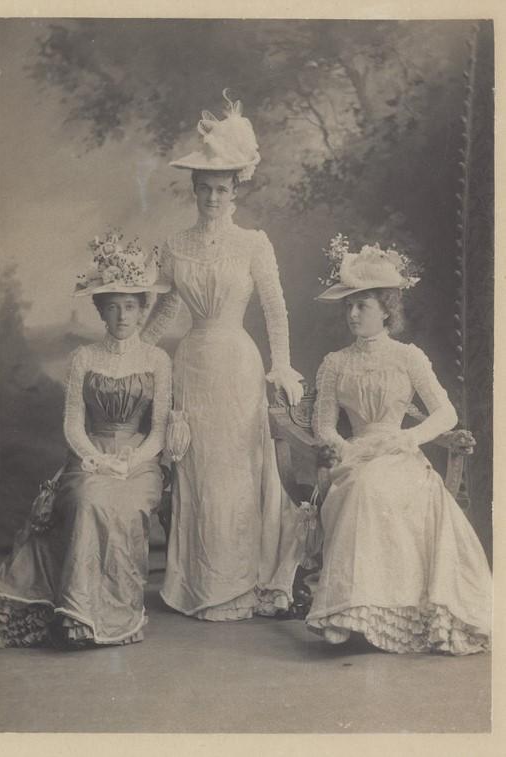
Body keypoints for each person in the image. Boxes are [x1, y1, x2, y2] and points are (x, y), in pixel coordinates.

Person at [142, 90, 305, 621]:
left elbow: (276, 311)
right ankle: (199, 583)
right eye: (205, 188)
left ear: (235, 190)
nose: (213, 197)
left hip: (237, 362)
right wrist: (132, 351)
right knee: (198, 472)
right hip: (192, 364)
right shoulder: (175, 244)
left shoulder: (254, 243)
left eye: (221, 188)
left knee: (236, 472)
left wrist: (281, 364)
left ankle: (241, 583)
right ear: (194, 189)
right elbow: (166, 312)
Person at [305, 238, 491, 654]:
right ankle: (350, 612)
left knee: (383, 487)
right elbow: (324, 426)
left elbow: (445, 415)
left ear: (386, 310)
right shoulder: (335, 363)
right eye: (348, 306)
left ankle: (394, 612)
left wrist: (406, 438)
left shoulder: (409, 358)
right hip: (354, 455)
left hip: (402, 453)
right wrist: (347, 449)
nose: (352, 314)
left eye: (362, 305)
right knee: (363, 486)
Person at [0, 232, 172, 648]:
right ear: (101, 312)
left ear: (143, 309)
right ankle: (76, 616)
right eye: (113, 308)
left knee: (123, 504)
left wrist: (130, 462)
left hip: (140, 460)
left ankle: (114, 614)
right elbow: (73, 423)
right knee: (87, 498)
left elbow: (159, 429)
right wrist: (94, 458)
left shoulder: (156, 359)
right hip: (89, 456)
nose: (123, 317)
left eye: (131, 307)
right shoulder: (83, 359)